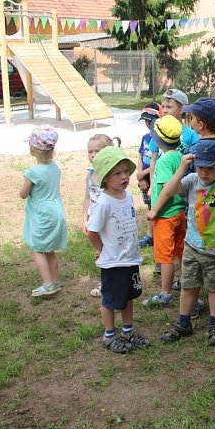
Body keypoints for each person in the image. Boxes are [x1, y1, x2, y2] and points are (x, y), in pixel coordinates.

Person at [165, 97, 215, 314]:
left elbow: (184, 183)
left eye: (192, 118)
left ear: (200, 124)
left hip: (198, 214)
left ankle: (193, 303)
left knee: (196, 257)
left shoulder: (191, 149)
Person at [154, 141, 215, 347]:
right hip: (192, 246)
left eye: (210, 168)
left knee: (214, 287)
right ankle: (183, 322)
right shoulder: (192, 180)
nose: (204, 172)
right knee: (188, 284)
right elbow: (169, 191)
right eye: (200, 167)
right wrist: (182, 169)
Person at [87, 146, 152, 353]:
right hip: (113, 262)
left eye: (126, 171)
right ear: (105, 177)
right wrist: (101, 248)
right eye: (117, 173)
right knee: (110, 299)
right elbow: (92, 231)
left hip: (130, 258)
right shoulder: (103, 202)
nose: (124, 176)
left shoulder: (128, 196)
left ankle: (128, 331)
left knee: (128, 296)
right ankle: (109, 335)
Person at [143, 116, 187, 307]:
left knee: (165, 256)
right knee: (180, 250)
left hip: (165, 215)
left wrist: (154, 210)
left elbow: (167, 190)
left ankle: (165, 293)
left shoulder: (163, 162)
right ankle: (185, 282)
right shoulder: (179, 156)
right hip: (180, 212)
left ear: (158, 140)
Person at [20, 125, 67, 297]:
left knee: (37, 248)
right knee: (49, 249)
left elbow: (23, 194)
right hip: (56, 211)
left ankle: (47, 284)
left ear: (33, 149)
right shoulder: (55, 168)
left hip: (42, 214)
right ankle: (55, 281)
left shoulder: (32, 173)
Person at [84, 133, 121, 298]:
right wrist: (85, 219)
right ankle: (105, 281)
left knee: (110, 251)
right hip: (95, 220)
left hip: (110, 221)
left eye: (97, 151)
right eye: (90, 151)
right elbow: (87, 198)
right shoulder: (90, 174)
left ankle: (109, 282)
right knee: (102, 251)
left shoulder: (112, 175)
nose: (93, 155)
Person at [136, 102, 160, 248]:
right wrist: (141, 176)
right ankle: (150, 235)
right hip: (144, 179)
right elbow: (140, 156)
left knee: (156, 206)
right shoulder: (145, 137)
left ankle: (156, 234)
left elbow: (157, 161)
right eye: (146, 121)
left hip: (154, 177)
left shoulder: (160, 139)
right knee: (149, 206)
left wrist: (144, 174)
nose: (147, 124)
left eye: (150, 121)